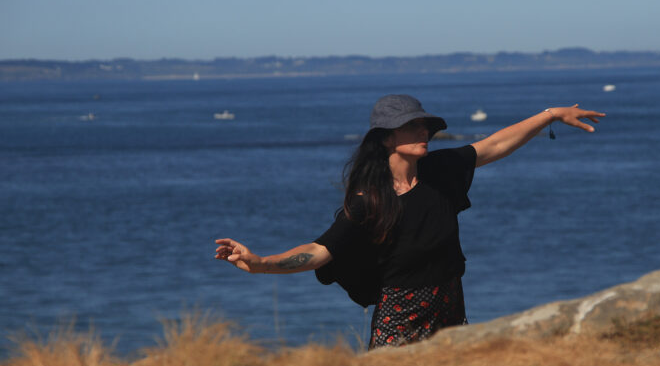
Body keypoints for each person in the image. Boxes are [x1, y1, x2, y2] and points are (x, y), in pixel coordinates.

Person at [215, 94, 604, 349]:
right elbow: (319, 252)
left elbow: (494, 145)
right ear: (386, 139)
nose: (426, 133)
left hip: (451, 307)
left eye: (426, 127)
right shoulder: (369, 201)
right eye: (414, 127)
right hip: (401, 318)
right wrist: (261, 263)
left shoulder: (440, 171)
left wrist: (551, 114)